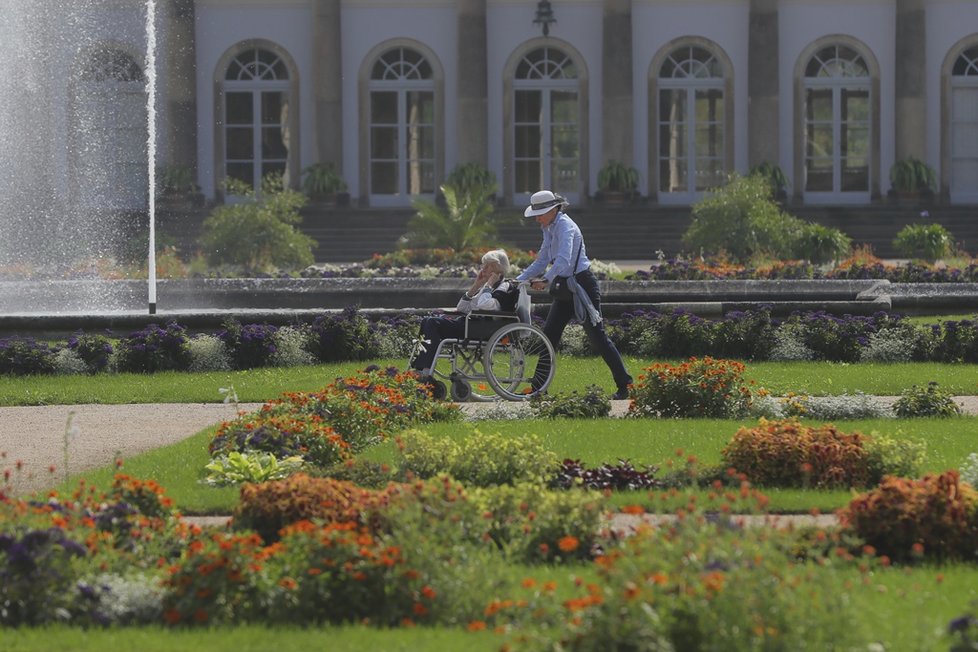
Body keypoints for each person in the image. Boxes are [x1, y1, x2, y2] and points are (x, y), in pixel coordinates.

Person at [516, 190, 633, 399]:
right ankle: (538, 388)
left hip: (581, 286)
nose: (537, 218)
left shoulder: (566, 226)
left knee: (598, 338)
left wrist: (545, 280)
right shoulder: (549, 227)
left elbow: (563, 260)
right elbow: (542, 259)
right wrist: (517, 280)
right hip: (564, 287)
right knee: (549, 336)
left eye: (540, 213)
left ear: (553, 209)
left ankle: (625, 385)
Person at [409, 249, 520, 381]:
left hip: (483, 329)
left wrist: (488, 285)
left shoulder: (504, 287)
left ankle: (425, 371)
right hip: (472, 325)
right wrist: (476, 285)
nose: (483, 269)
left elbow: (485, 306)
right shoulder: (487, 288)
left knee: (432, 322)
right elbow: (462, 308)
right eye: (483, 265)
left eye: (488, 265)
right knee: (427, 321)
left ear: (498, 268)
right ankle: (421, 368)